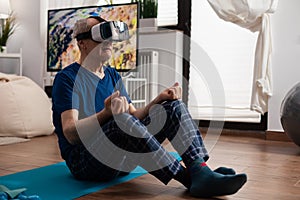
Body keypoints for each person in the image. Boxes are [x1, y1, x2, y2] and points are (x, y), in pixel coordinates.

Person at [51, 16, 247, 198]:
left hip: (119, 158)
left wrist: (159, 100)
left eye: (110, 35)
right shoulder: (67, 78)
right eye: (101, 35)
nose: (109, 41)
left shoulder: (112, 75)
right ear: (82, 43)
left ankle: (199, 169)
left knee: (172, 106)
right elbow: (70, 133)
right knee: (121, 121)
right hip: (86, 163)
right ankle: (190, 178)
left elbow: (134, 115)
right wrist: (106, 113)